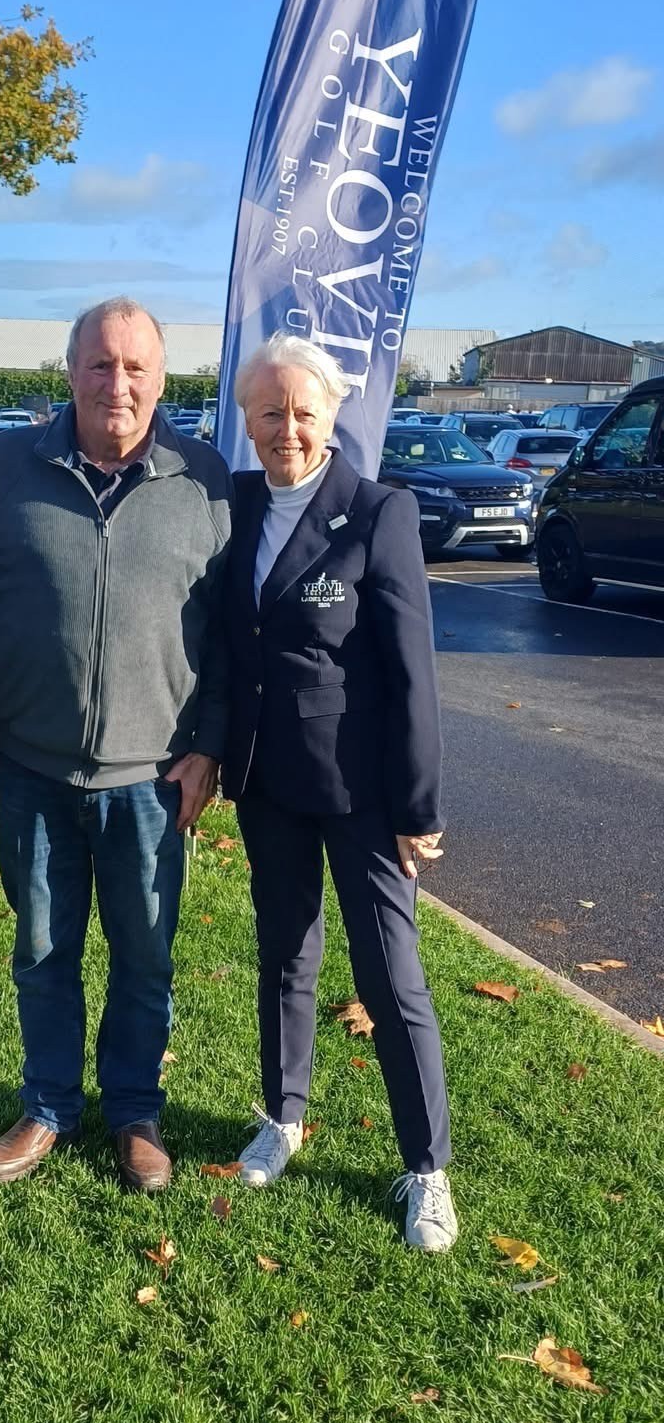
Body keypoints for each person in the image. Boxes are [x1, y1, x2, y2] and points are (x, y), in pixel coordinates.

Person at [0, 298, 232, 1192]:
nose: (116, 384)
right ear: (69, 369)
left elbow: (234, 633)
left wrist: (212, 745)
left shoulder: (205, 480)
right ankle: (46, 1108)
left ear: (162, 378)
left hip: (152, 778)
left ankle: (134, 1113)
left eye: (135, 368)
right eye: (99, 364)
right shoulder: (4, 467)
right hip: (32, 767)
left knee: (145, 956)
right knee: (43, 951)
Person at [221, 335, 457, 1252]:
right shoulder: (235, 503)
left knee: (390, 977)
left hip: (362, 792)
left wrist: (420, 805)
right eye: (269, 413)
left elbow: (412, 672)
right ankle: (283, 1118)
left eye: (303, 412)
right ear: (247, 420)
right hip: (266, 783)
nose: (286, 429)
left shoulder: (376, 511)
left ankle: (426, 1168)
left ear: (331, 418)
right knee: (285, 955)